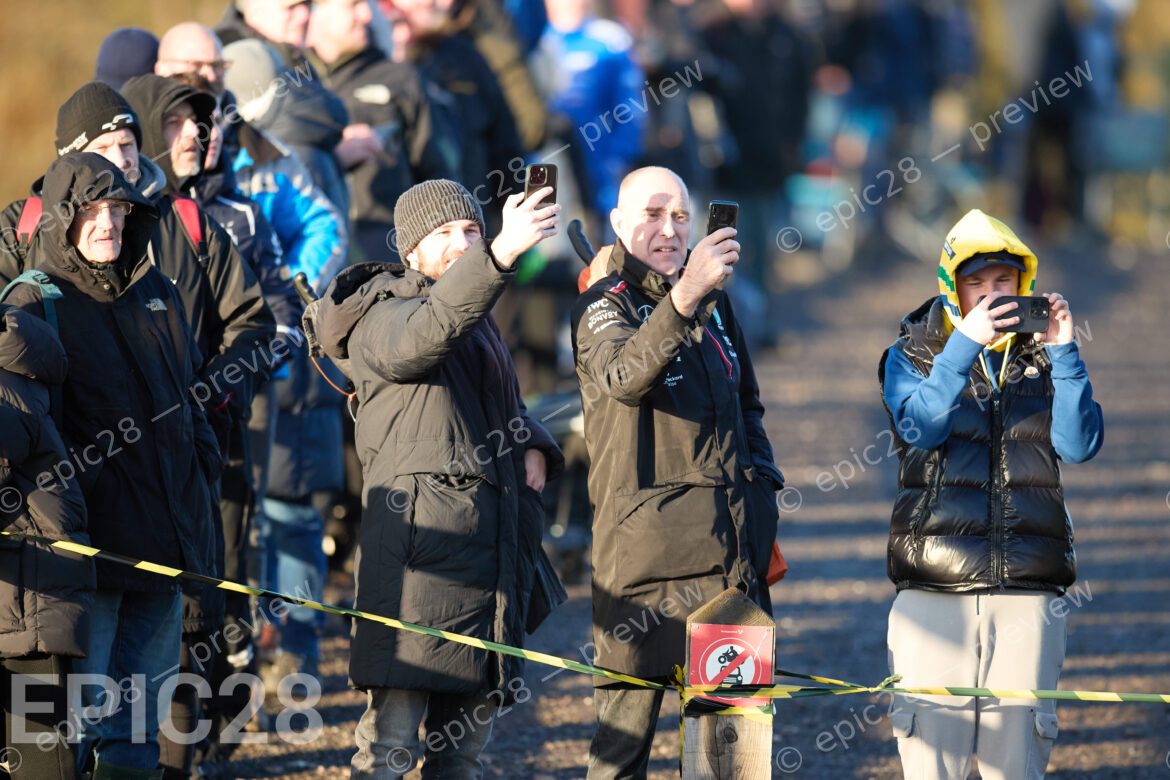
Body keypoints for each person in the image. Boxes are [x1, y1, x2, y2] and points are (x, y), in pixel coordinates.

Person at [311, 179, 564, 777]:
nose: (462, 242)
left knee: (462, 758)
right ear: (409, 251)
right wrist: (497, 255)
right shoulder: (380, 313)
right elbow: (419, 341)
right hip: (417, 571)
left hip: (488, 566)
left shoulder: (473, 316)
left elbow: (499, 406)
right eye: (444, 233)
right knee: (389, 752)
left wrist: (532, 446)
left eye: (472, 230)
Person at [3, 152, 222, 779]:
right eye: (93, 210)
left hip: (163, 554)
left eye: (120, 209)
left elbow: (192, 399)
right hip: (85, 566)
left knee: (136, 737)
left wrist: (200, 471)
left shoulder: (160, 293)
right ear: (64, 218)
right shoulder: (34, 303)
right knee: (69, 738)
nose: (109, 223)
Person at [569, 166, 784, 775]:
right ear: (617, 223)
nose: (669, 229)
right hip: (642, 574)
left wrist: (763, 486)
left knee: (733, 758)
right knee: (620, 758)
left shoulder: (717, 304)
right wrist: (683, 297)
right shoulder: (599, 307)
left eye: (681, 216)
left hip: (731, 565)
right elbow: (625, 378)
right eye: (652, 214)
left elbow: (749, 406)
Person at [879, 208, 1104, 780]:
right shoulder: (911, 353)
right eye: (975, 283)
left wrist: (1066, 355)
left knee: (1017, 768)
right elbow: (920, 429)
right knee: (935, 768)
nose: (989, 295)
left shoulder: (1044, 355)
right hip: (933, 588)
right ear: (952, 286)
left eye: (1002, 282)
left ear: (1022, 285)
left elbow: (1078, 446)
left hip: (1028, 591)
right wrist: (963, 348)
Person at [0, 304, 94, 780]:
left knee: (39, 767)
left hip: (25, 609)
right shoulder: (18, 360)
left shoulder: (5, 382)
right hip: (30, 601)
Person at [309, 0, 461, 263]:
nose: (366, 14)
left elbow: (440, 172)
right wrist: (332, 158)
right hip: (312, 250)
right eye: (353, 5)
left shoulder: (401, 79)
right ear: (317, 11)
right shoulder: (292, 82)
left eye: (366, 5)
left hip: (387, 248)